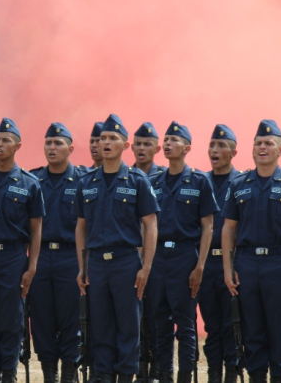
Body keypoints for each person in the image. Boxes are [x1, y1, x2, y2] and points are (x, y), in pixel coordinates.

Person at [222, 120, 281, 383]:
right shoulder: (239, 184)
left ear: (280, 151)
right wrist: (228, 269)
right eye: (258, 143)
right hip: (247, 264)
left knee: (280, 332)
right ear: (252, 149)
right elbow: (228, 229)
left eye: (268, 143)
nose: (262, 147)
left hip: (279, 264)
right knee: (252, 332)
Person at [75, 114, 159, 383]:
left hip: (125, 261)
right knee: (100, 324)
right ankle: (103, 375)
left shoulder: (137, 181)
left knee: (128, 325)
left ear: (125, 145)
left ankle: (125, 375)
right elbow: (80, 227)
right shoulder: (86, 183)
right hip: (97, 262)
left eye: (112, 138)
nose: (106, 142)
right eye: (102, 139)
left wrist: (145, 267)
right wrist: (82, 266)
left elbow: (151, 226)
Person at [149, 122, 217, 383]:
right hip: (157, 259)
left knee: (186, 323)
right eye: (165, 140)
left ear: (187, 148)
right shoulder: (153, 181)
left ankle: (186, 377)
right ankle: (164, 376)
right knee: (160, 322)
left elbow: (208, 226)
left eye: (173, 140)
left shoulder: (199, 181)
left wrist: (200, 265)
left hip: (184, 257)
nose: (167, 144)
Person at [0, 118, 44, 383]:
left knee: (10, 320)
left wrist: (31, 267)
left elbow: (36, 229)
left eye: (5, 140)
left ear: (17, 145)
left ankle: (8, 374)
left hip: (13, 257)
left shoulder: (29, 183)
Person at [28, 122, 89, 383]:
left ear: (70, 148)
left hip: (69, 258)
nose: (51, 148)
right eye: (48, 143)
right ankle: (49, 376)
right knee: (41, 320)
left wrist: (83, 264)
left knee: (70, 320)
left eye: (58, 143)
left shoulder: (84, 181)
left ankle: (68, 376)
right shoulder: (33, 180)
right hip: (39, 258)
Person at [198, 125, 241, 383]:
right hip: (206, 263)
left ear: (233, 152)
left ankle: (232, 376)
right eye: (212, 145)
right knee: (212, 326)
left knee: (232, 325)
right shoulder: (200, 182)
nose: (215, 150)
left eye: (221, 146)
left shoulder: (241, 182)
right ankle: (214, 375)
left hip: (233, 264)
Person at [131, 121, 165, 383]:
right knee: (132, 317)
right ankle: (137, 367)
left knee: (156, 315)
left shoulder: (164, 178)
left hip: (157, 259)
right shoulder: (124, 176)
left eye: (147, 145)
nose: (141, 149)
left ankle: (156, 368)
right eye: (138, 144)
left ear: (157, 148)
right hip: (129, 258)